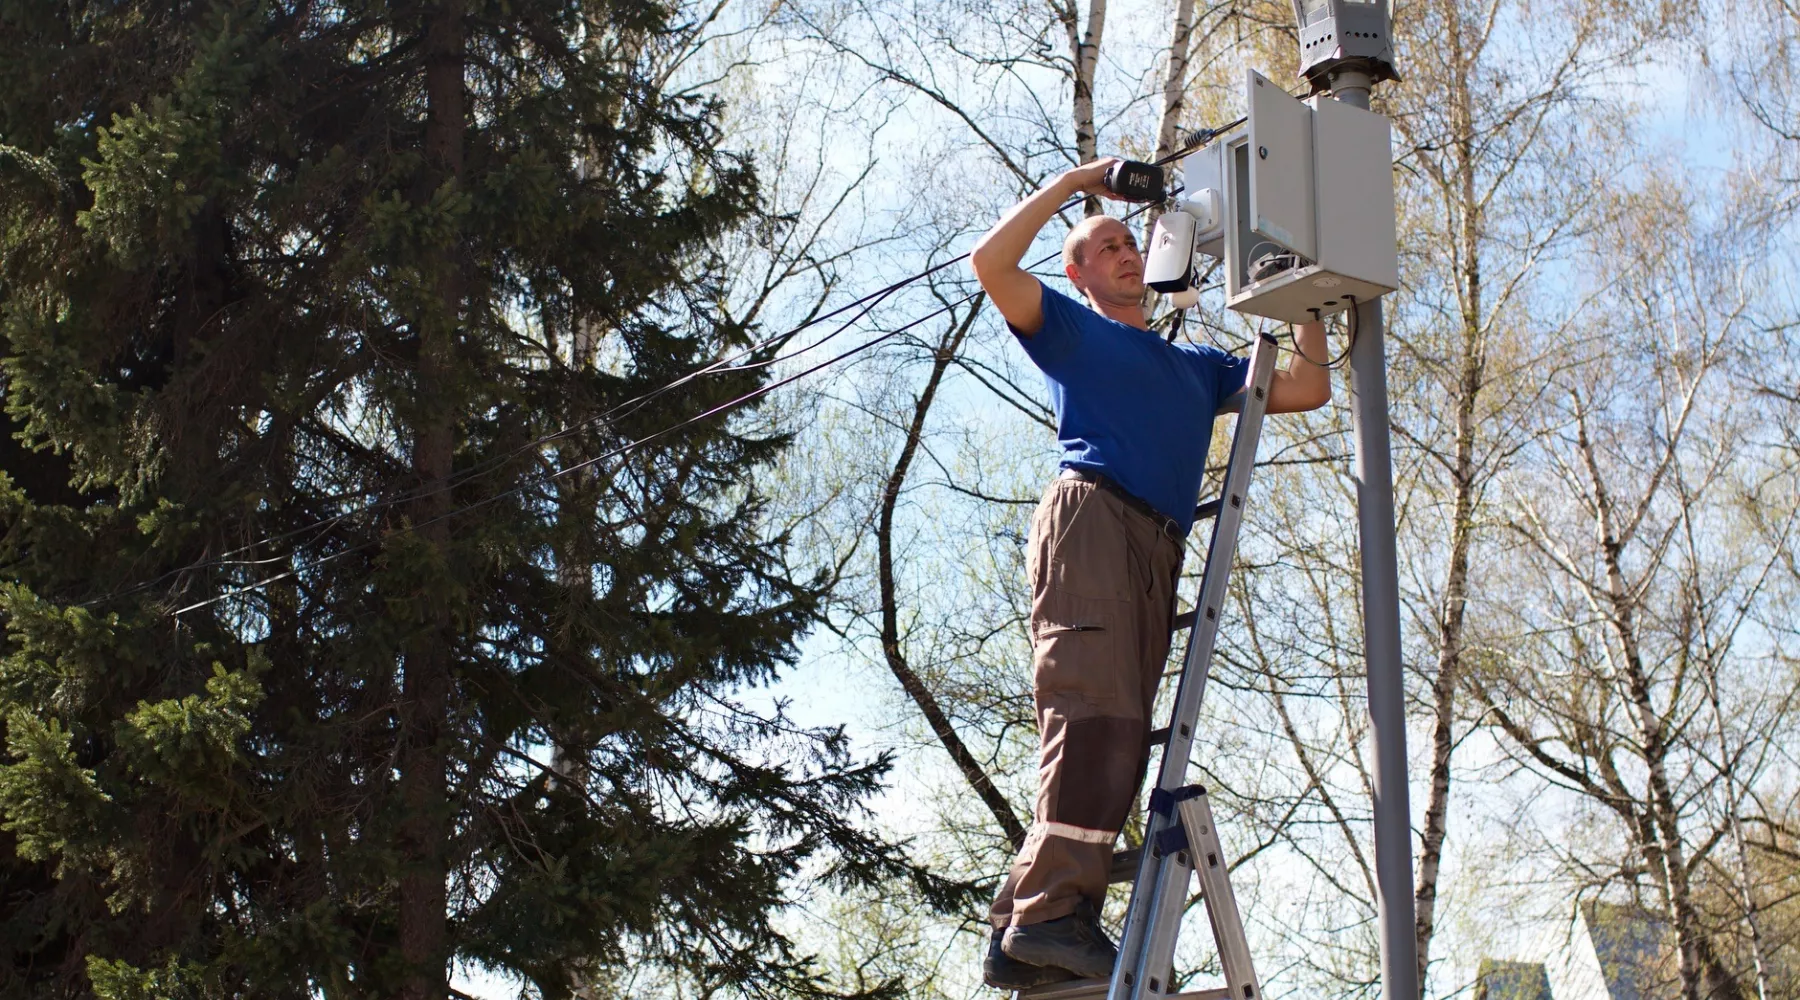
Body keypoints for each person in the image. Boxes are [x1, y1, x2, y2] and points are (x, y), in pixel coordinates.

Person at [968, 157, 1330, 988]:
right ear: (1078, 271)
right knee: (1093, 716)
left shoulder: (1197, 365)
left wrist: (1306, 295)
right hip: (1092, 519)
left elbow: (1305, 385)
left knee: (1124, 733)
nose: (1128, 254)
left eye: (1133, 242)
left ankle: (1026, 929)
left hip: (1156, 543)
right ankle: (1051, 914)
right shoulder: (1070, 330)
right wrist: (1076, 183)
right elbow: (991, 265)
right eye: (1107, 246)